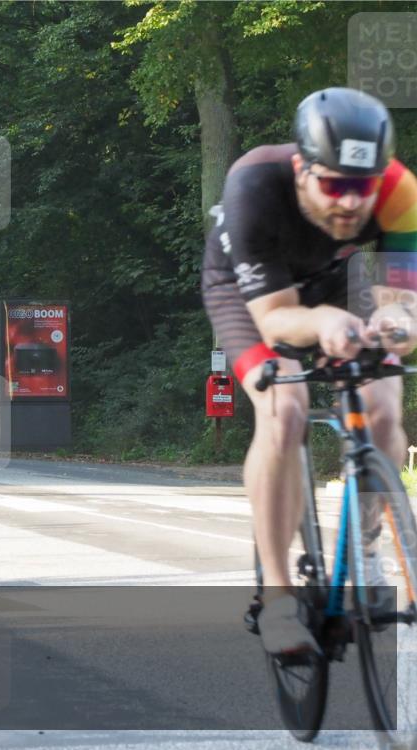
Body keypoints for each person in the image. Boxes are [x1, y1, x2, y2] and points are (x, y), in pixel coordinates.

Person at [202, 87, 417, 654]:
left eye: (362, 190)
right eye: (333, 187)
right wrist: (323, 324)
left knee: (384, 407)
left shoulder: (401, 193)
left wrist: (398, 322)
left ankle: (367, 547)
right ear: (301, 169)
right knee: (285, 408)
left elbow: (403, 302)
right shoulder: (253, 185)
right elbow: (275, 320)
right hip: (248, 292)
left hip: (332, 281)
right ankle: (276, 597)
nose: (350, 205)